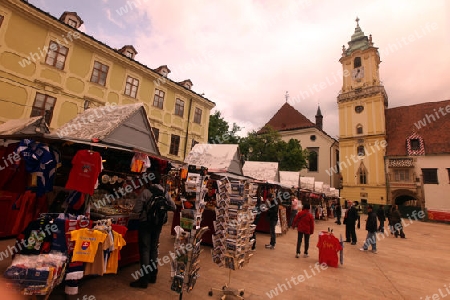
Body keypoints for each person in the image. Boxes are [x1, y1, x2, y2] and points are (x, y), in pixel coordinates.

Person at [130, 176, 176, 288]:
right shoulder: (164, 192)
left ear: (149, 181)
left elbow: (136, 210)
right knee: (154, 247)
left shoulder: (145, 192)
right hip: (158, 225)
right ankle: (153, 276)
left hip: (145, 224)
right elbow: (173, 206)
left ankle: (144, 279)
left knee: (145, 249)